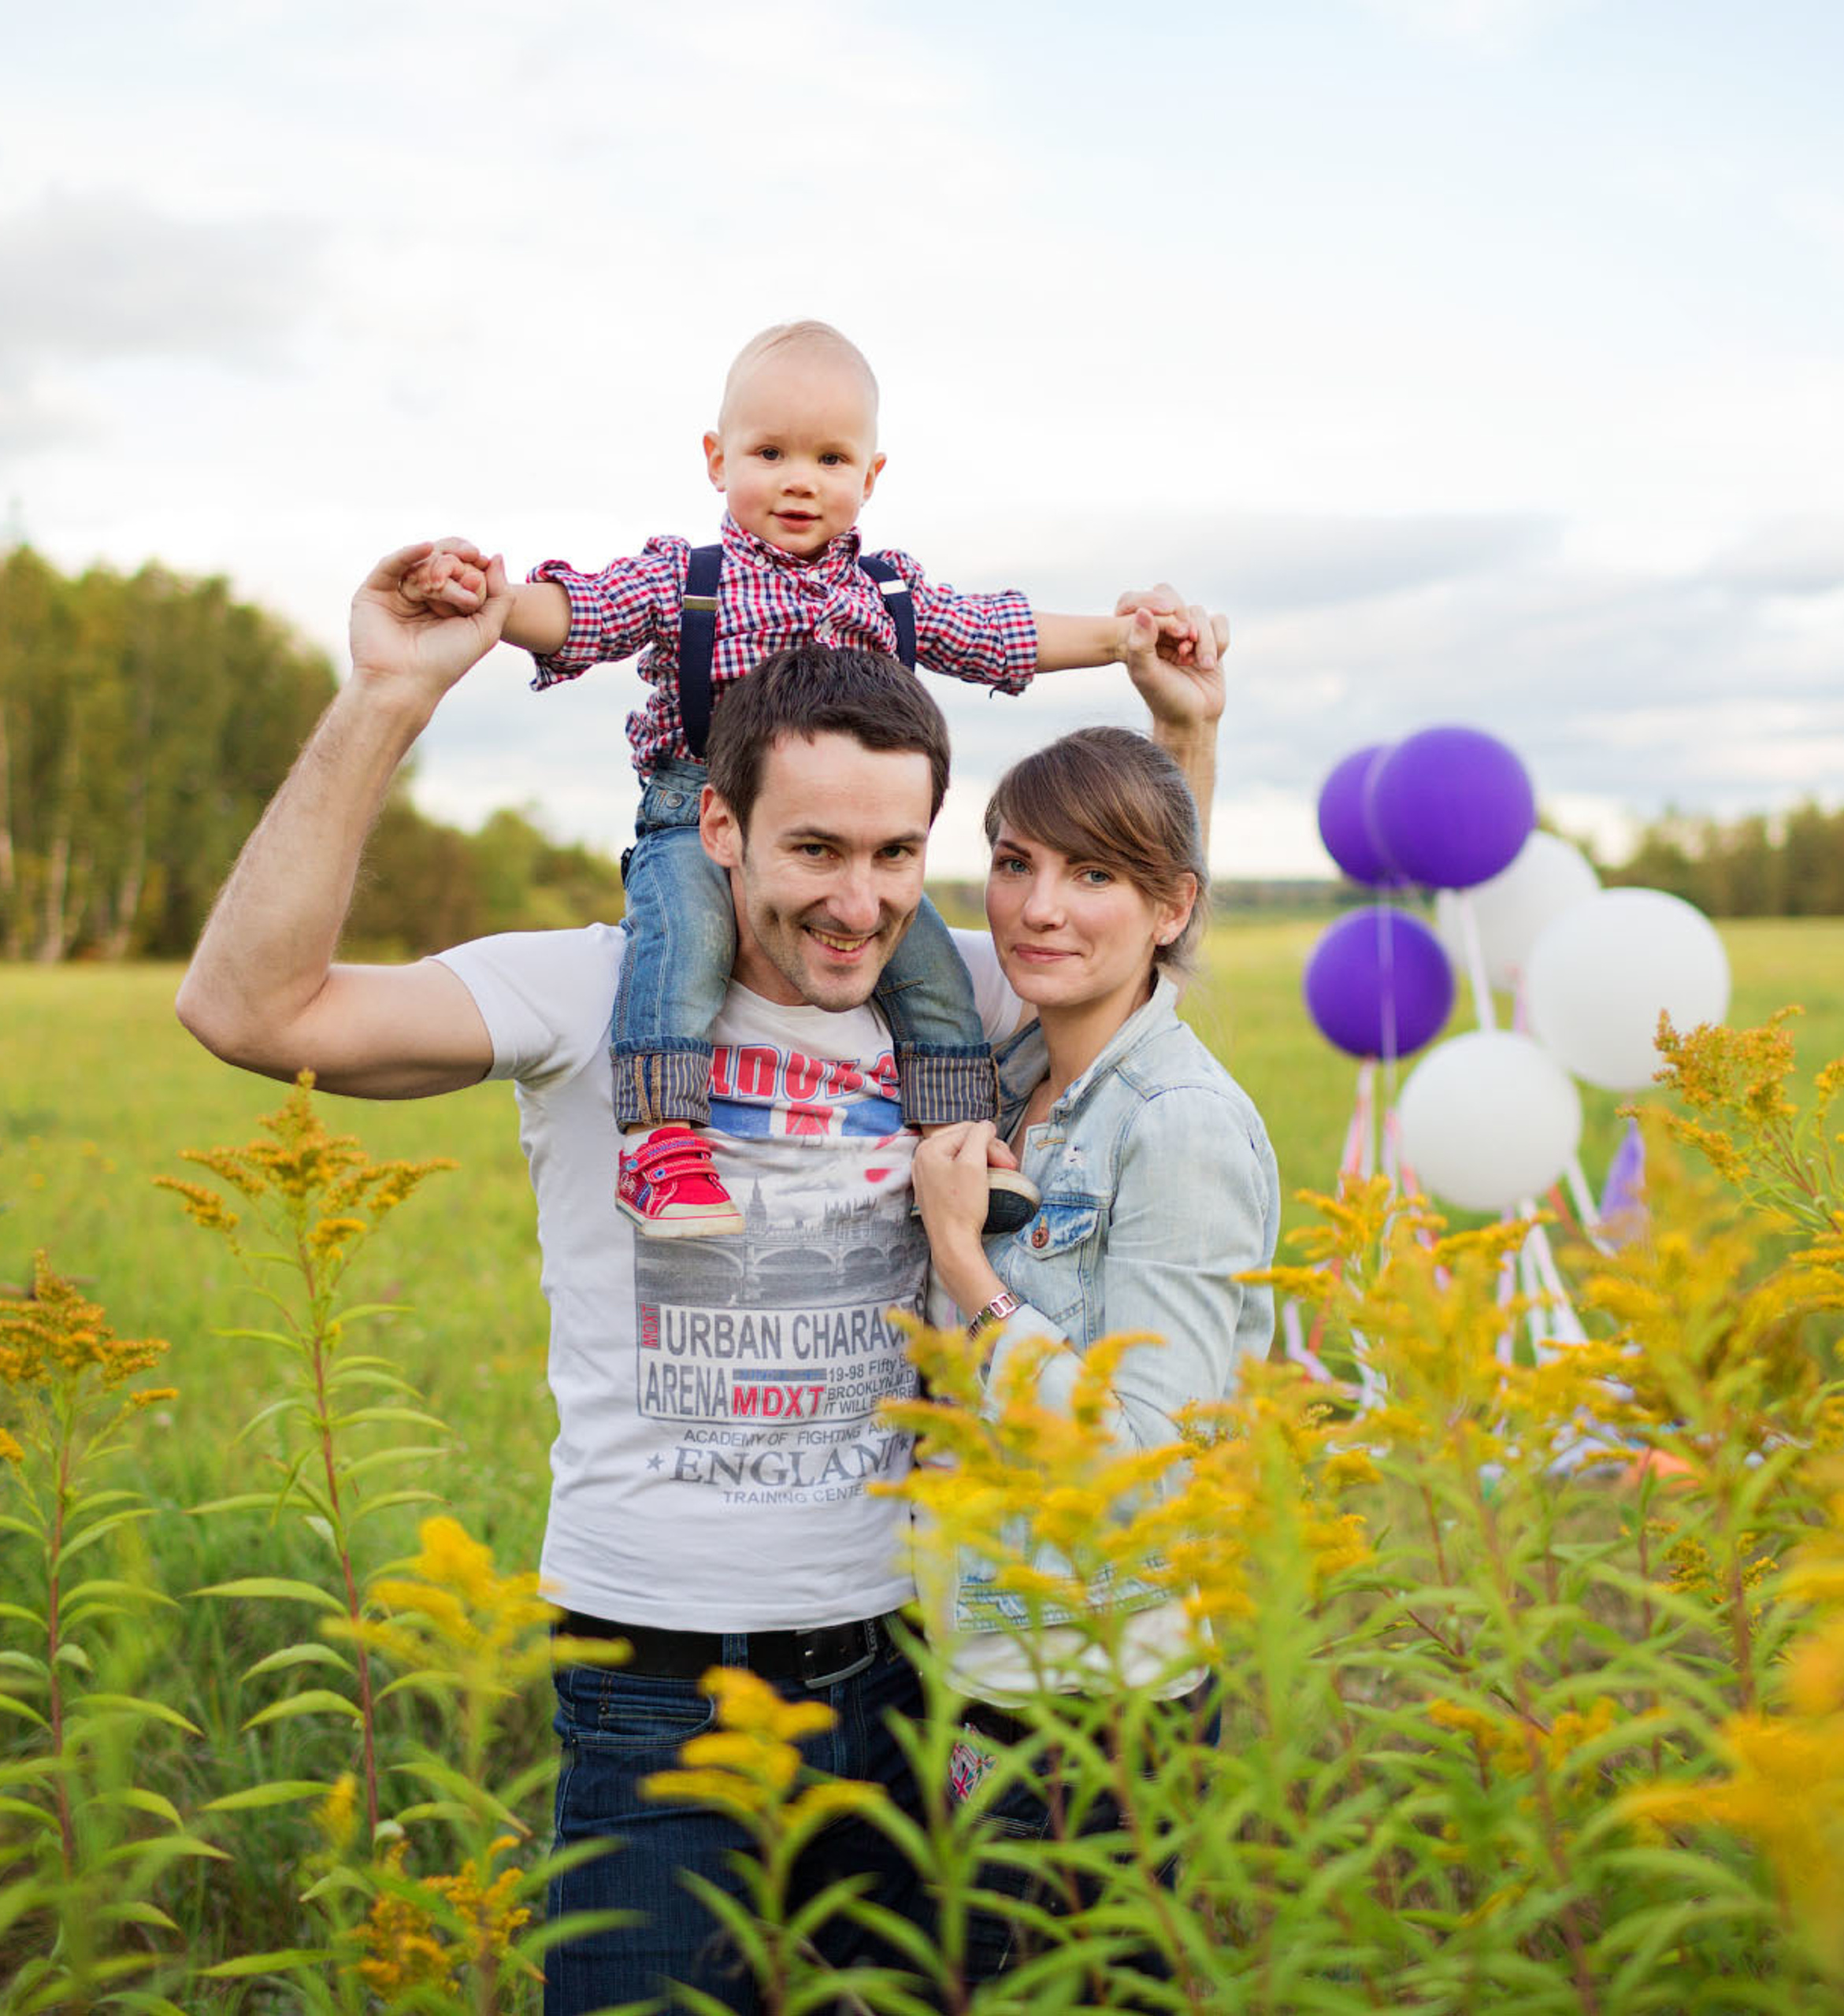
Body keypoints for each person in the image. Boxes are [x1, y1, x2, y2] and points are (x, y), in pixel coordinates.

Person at [174, 544, 1226, 2016]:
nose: (859, 906)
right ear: (717, 824)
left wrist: (1184, 735)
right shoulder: (590, 991)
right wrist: (387, 700)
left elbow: (1141, 951)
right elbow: (245, 1007)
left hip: (915, 1687)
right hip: (660, 1695)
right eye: (814, 851)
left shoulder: (960, 994)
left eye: (897, 856)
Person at [402, 319, 1198, 1240]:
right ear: (715, 457)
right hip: (695, 819)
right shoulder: (686, 581)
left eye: (829, 457)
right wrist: (497, 606)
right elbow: (585, 612)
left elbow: (998, 634)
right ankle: (662, 1141)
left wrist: (1117, 636)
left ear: (871, 476)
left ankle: (958, 1140)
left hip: (842, 845)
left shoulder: (886, 597)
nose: (798, 479)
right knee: (684, 943)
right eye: (769, 451)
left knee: (933, 974)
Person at [909, 727, 1280, 1985]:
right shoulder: (1017, 1077)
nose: (1038, 908)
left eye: (1094, 876)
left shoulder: (1176, 1126)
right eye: (1015, 863)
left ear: (1174, 906)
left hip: (1099, 1702)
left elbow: (1145, 1455)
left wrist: (970, 1273)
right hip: (985, 1666)